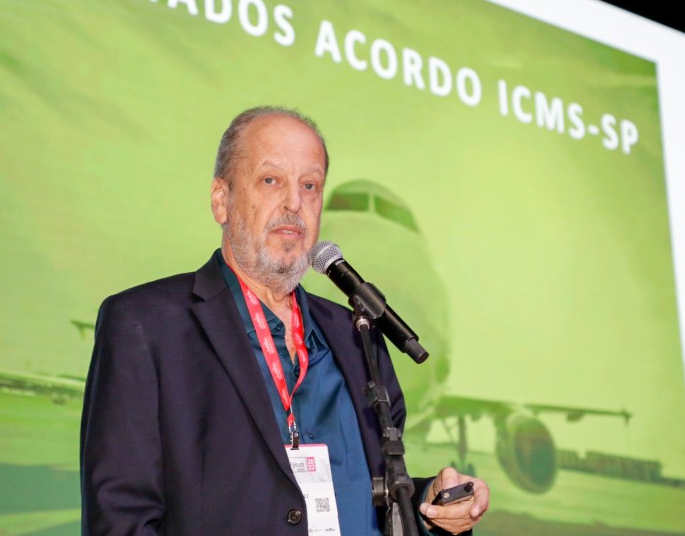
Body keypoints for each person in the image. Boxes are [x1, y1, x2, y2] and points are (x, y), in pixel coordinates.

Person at [80, 106, 489, 535]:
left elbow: (367, 495)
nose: (294, 202)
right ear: (222, 200)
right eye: (271, 180)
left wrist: (429, 504)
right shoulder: (146, 324)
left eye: (309, 185)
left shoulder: (356, 335)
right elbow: (120, 520)